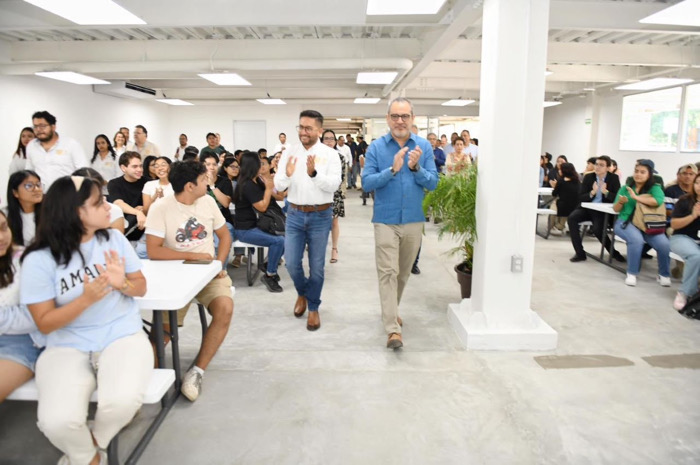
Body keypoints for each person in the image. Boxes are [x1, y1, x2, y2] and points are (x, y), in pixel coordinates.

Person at [20, 175, 151, 465]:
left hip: (121, 335)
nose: (109, 207)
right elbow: (44, 322)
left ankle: (91, 446)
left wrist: (122, 285)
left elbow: (140, 286)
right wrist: (85, 300)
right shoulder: (39, 259)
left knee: (121, 403)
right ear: (75, 212)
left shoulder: (114, 239)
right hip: (66, 342)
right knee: (57, 421)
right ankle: (90, 458)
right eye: (98, 202)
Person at [145, 161, 233, 401]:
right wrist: (192, 255)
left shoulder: (207, 201)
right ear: (190, 186)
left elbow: (224, 236)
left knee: (225, 308)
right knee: (162, 332)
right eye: (204, 179)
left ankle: (197, 371)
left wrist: (218, 264)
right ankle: (143, 382)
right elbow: (153, 251)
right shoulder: (161, 208)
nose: (208, 181)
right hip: (174, 275)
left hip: (208, 274)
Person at [362, 97, 438, 349]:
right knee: (388, 272)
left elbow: (434, 183)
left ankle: (390, 310)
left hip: (414, 219)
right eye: (395, 116)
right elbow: (366, 183)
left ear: (412, 118)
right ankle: (392, 329)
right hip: (385, 219)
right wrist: (392, 170)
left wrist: (416, 169)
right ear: (387, 119)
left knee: (403, 273)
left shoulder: (424, 147)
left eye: (404, 116)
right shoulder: (376, 148)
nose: (400, 121)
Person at [274, 110, 341, 331]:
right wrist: (287, 174)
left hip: (320, 216)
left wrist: (314, 174)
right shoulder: (289, 152)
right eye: (301, 127)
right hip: (293, 214)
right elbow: (279, 185)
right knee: (292, 263)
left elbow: (333, 185)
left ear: (319, 131)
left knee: (317, 268)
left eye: (308, 128)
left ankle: (313, 307)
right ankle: (302, 293)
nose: (303, 132)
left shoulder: (330, 155)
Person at [0, 209, 44, 403]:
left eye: (3, 228)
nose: (1, 237)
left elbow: (35, 316)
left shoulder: (28, 260)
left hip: (20, 343)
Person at [613, 159, 670, 287]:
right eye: (636, 171)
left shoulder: (655, 188)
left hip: (647, 224)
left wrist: (636, 197)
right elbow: (616, 209)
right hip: (626, 222)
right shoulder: (625, 188)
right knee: (636, 240)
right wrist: (621, 202)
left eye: (642, 172)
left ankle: (664, 274)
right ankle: (632, 273)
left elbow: (658, 201)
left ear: (649, 174)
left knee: (664, 244)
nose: (638, 174)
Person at [233, 152, 285, 292]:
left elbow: (279, 197)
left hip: (258, 225)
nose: (261, 165)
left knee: (287, 236)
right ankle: (270, 274)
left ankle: (268, 265)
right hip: (246, 230)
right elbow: (262, 206)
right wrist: (268, 189)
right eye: (259, 163)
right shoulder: (247, 185)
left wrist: (272, 186)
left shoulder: (257, 180)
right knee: (279, 241)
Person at [567, 155, 624, 263]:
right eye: (596, 164)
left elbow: (617, 198)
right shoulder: (589, 177)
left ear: (608, 168)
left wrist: (606, 192)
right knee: (572, 218)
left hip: (602, 211)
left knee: (598, 230)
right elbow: (580, 197)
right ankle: (580, 253)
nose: (597, 167)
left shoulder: (613, 178)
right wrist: (592, 193)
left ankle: (613, 253)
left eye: (601, 165)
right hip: (588, 208)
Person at [26, 111, 88, 189]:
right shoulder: (31, 146)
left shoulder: (71, 144)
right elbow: (29, 172)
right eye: (35, 126)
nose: (38, 130)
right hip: (42, 196)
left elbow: (84, 172)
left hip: (66, 194)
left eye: (42, 126)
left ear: (53, 127)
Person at [669, 172, 700, 310]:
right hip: (681, 237)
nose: (699, 186)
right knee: (696, 256)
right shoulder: (685, 200)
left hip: (697, 239)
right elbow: (674, 224)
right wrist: (693, 216)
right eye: (697, 183)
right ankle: (685, 292)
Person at [107, 152, 146, 241]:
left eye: (140, 166)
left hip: (143, 228)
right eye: (135, 166)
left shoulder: (148, 182)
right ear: (123, 168)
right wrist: (137, 212)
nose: (139, 169)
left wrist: (144, 208)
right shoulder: (114, 183)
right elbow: (118, 203)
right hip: (123, 228)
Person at [72, 168, 125, 233]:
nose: (107, 207)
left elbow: (117, 241)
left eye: (99, 189)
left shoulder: (113, 210)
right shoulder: (67, 215)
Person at [322, 130, 346, 264]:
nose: (329, 141)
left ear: (335, 141)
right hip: (318, 193)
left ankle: (334, 249)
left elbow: (341, 178)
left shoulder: (340, 157)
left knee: (334, 222)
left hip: (335, 193)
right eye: (326, 139)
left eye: (332, 139)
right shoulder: (316, 156)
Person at [6, 170, 43, 246]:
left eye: (38, 185)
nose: (37, 189)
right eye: (29, 186)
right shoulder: (5, 215)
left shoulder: (50, 212)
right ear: (15, 193)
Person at [549, 162, 579, 236]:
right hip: (574, 206)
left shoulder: (561, 181)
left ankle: (553, 226)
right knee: (563, 206)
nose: (559, 171)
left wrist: (554, 187)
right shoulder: (578, 182)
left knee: (553, 207)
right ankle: (560, 226)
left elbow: (554, 194)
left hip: (562, 205)